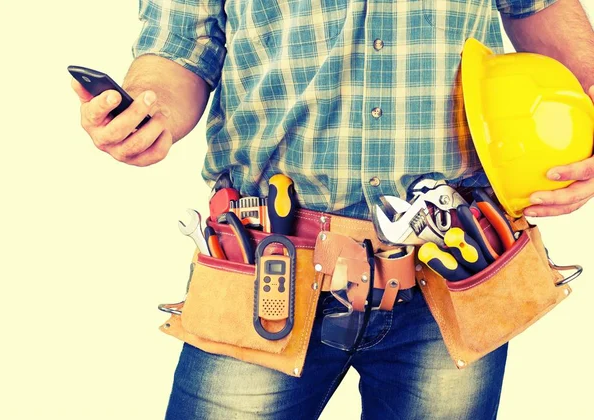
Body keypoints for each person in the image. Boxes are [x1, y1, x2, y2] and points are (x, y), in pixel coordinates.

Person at [71, 0, 594, 418]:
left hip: (451, 271)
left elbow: (542, 11)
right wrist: (147, 108)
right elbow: (178, 47)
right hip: (265, 272)